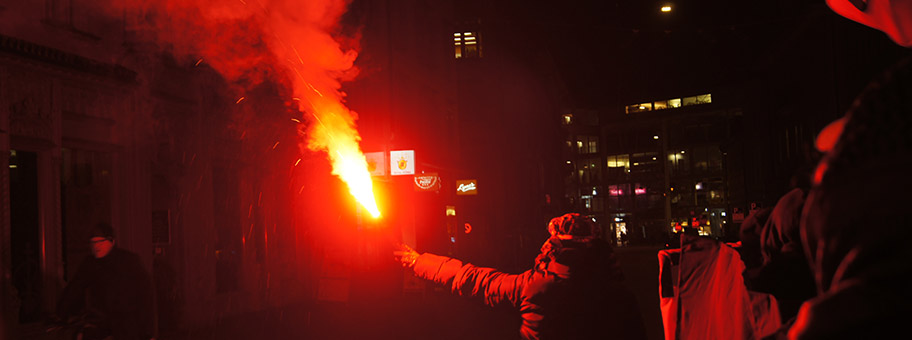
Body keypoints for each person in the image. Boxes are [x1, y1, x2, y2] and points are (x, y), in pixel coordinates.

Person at [394, 213, 647, 340]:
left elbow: (473, 280)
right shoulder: (620, 296)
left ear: (554, 246)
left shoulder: (535, 287)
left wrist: (418, 261)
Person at [56, 223, 155, 340]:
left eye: (100, 242)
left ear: (112, 242)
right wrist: (62, 313)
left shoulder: (129, 261)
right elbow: (75, 288)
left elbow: (145, 295)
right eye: (93, 242)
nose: (96, 246)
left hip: (127, 323)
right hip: (101, 323)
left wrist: (147, 331)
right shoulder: (90, 264)